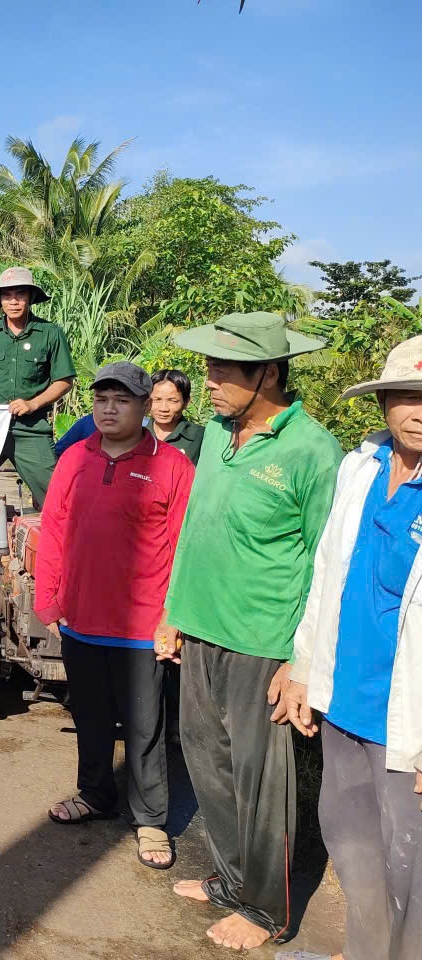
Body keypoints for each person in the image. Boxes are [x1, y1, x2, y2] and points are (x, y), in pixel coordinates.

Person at [154, 311, 343, 951]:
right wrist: (172, 613)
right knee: (208, 765)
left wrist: (302, 661)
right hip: (201, 629)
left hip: (264, 643)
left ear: (267, 372)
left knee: (263, 784)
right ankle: (231, 881)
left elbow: (327, 562)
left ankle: (268, 910)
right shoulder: (214, 436)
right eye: (207, 367)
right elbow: (194, 534)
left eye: (222, 370)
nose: (208, 381)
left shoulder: (314, 451)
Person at [275, 337, 422, 960]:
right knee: (351, 842)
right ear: (384, 402)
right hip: (347, 703)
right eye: (408, 396)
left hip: (408, 723)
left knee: (410, 871)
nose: (419, 410)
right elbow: (326, 575)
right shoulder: (359, 470)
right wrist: (304, 668)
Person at [34, 363, 194, 871]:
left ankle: (150, 819)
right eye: (101, 398)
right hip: (81, 619)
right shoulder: (75, 459)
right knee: (91, 719)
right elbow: (55, 529)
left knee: (145, 728)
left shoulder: (171, 465)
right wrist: (49, 597)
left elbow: (187, 548)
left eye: (121, 400)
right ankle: (96, 794)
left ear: (145, 407)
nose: (108, 408)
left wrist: (174, 617)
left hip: (142, 628)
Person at [0, 265, 75, 507]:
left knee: (56, 497)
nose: (13, 302)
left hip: (30, 430)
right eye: (7, 296)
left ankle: (54, 543)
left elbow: (64, 381)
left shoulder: (50, 334)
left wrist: (33, 403)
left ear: (30, 298)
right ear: (0, 301)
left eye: (20, 294)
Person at [149, 369, 204, 465]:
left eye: (173, 401)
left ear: (186, 402)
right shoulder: (135, 433)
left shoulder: (200, 437)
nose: (163, 408)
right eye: (157, 400)